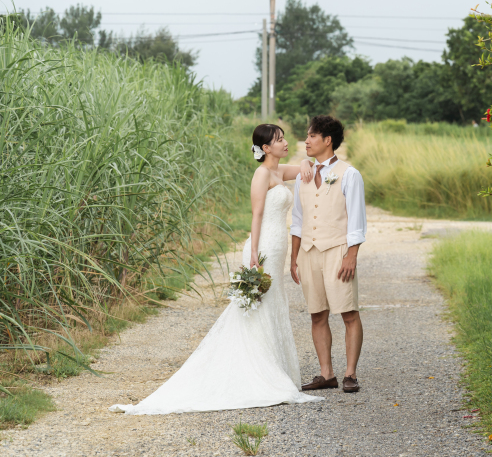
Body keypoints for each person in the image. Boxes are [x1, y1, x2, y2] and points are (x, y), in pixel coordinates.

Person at [109, 124, 322, 414]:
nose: (286, 143)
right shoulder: (261, 175)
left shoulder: (279, 171)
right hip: (264, 249)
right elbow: (256, 216)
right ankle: (257, 370)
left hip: (278, 246)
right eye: (280, 140)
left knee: (273, 304)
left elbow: (303, 167)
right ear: (266, 148)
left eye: (284, 139)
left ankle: (270, 365)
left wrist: (308, 161)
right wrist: (253, 258)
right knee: (261, 305)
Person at [290, 116, 366, 394]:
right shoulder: (303, 175)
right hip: (309, 252)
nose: (306, 141)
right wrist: (293, 256)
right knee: (317, 315)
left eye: (311, 136)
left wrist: (351, 255)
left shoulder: (350, 174)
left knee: (348, 312)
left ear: (327, 140)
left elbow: (357, 220)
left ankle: (350, 374)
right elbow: (297, 220)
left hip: (337, 251)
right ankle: (327, 374)